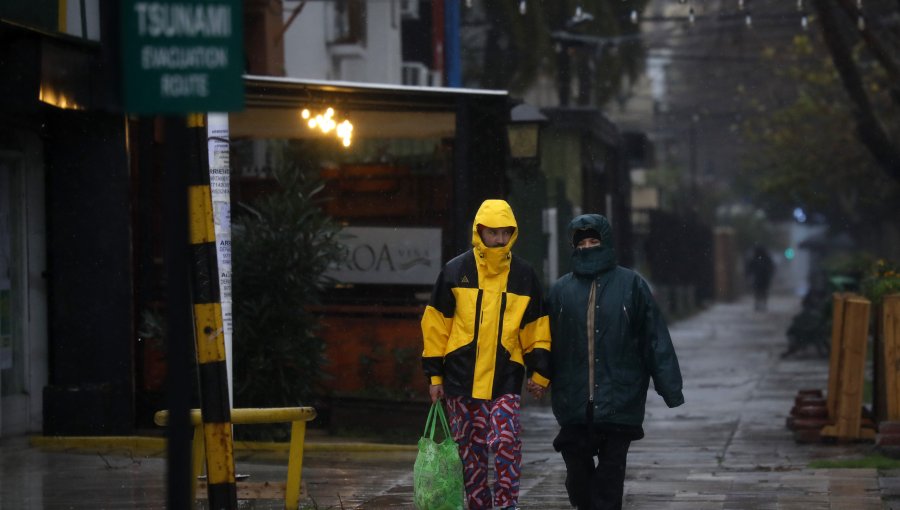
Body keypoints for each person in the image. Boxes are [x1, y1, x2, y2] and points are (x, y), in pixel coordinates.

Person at [421, 199, 551, 510]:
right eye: (493, 233)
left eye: (505, 232)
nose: (499, 239)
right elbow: (436, 326)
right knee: (471, 451)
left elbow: (535, 327)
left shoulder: (523, 274)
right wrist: (434, 375)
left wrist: (540, 372)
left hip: (505, 376)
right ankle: (479, 505)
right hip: (460, 377)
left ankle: (507, 505)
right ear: (479, 231)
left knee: (506, 442)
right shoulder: (455, 271)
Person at [548, 214, 684, 510]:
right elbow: (544, 341)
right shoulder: (560, 291)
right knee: (578, 479)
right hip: (573, 402)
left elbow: (654, 338)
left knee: (609, 482)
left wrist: (670, 388)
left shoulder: (631, 285)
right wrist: (537, 375)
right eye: (581, 242)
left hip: (620, 400)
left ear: (606, 242)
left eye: (593, 240)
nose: (587, 247)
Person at [745, 244, 775, 312]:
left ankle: (759, 304)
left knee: (759, 292)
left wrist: (749, 275)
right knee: (762, 292)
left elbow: (749, 268)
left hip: (760, 278)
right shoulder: (765, 258)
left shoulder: (756, 258)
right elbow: (771, 267)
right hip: (763, 278)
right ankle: (761, 304)